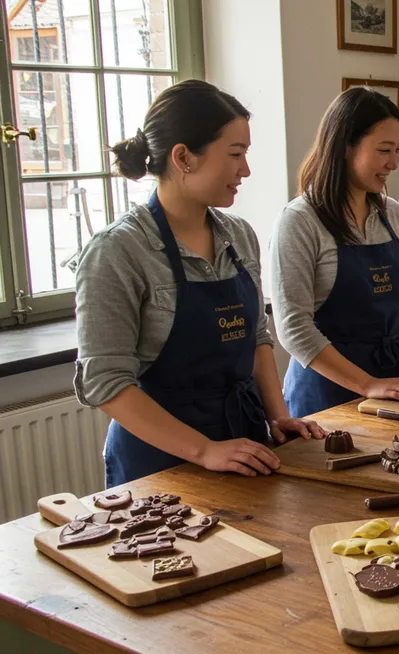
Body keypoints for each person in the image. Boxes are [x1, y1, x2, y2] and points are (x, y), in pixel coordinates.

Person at [74, 80, 324, 488]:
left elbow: (257, 338)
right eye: (235, 154)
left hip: (245, 445)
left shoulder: (239, 236)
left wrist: (278, 415)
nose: (245, 170)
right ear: (183, 158)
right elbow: (106, 383)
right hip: (159, 464)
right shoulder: (117, 251)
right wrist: (204, 450)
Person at [270, 88, 399, 418]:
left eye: (397, 150)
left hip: (394, 382)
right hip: (325, 394)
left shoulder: (392, 214)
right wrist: (367, 384)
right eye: (384, 150)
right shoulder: (299, 221)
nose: (394, 163)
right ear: (344, 147)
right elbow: (294, 329)